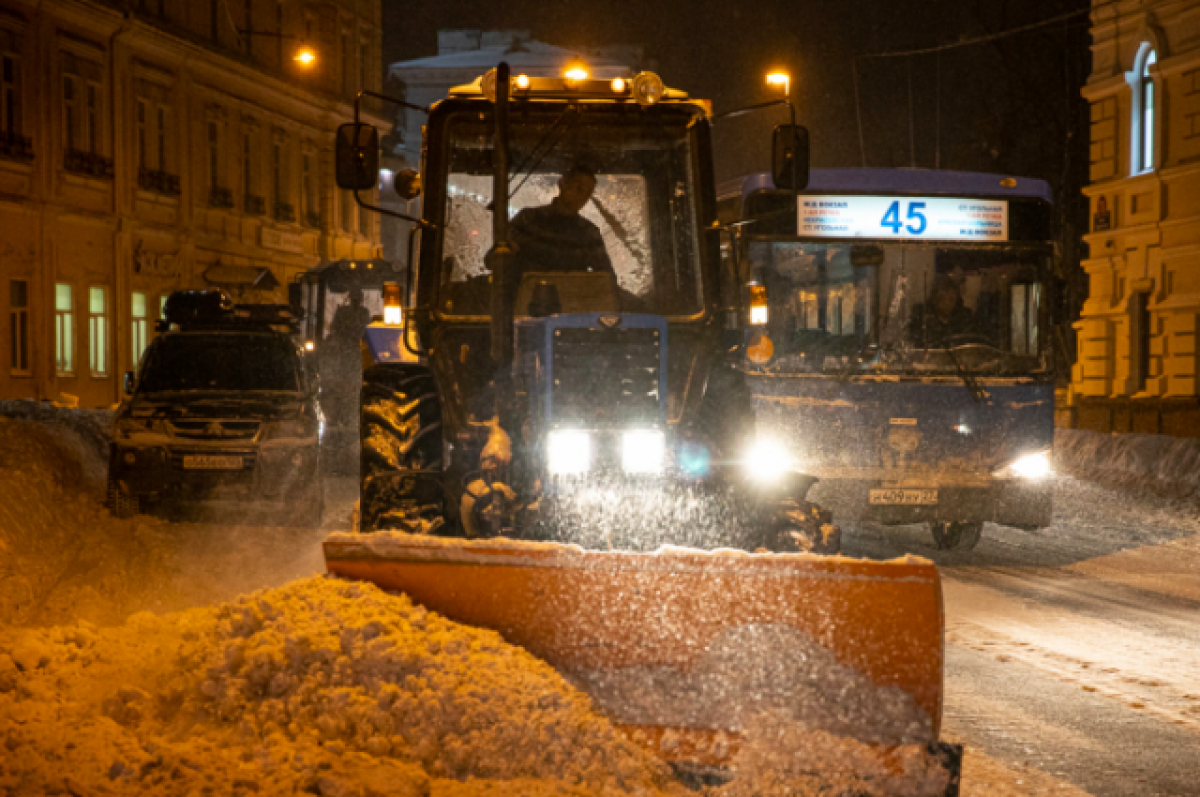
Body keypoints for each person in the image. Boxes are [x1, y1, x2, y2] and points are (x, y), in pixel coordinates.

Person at [508, 165, 614, 278]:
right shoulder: (527, 219)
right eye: (579, 189)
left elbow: (606, 277)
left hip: (571, 293)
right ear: (562, 184)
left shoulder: (589, 233)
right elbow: (495, 260)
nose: (582, 196)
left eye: (588, 193)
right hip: (527, 292)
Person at [906, 276, 983, 348]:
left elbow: (974, 343)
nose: (947, 303)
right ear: (934, 298)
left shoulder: (965, 318)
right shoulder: (921, 317)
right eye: (942, 298)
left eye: (951, 299)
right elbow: (912, 342)